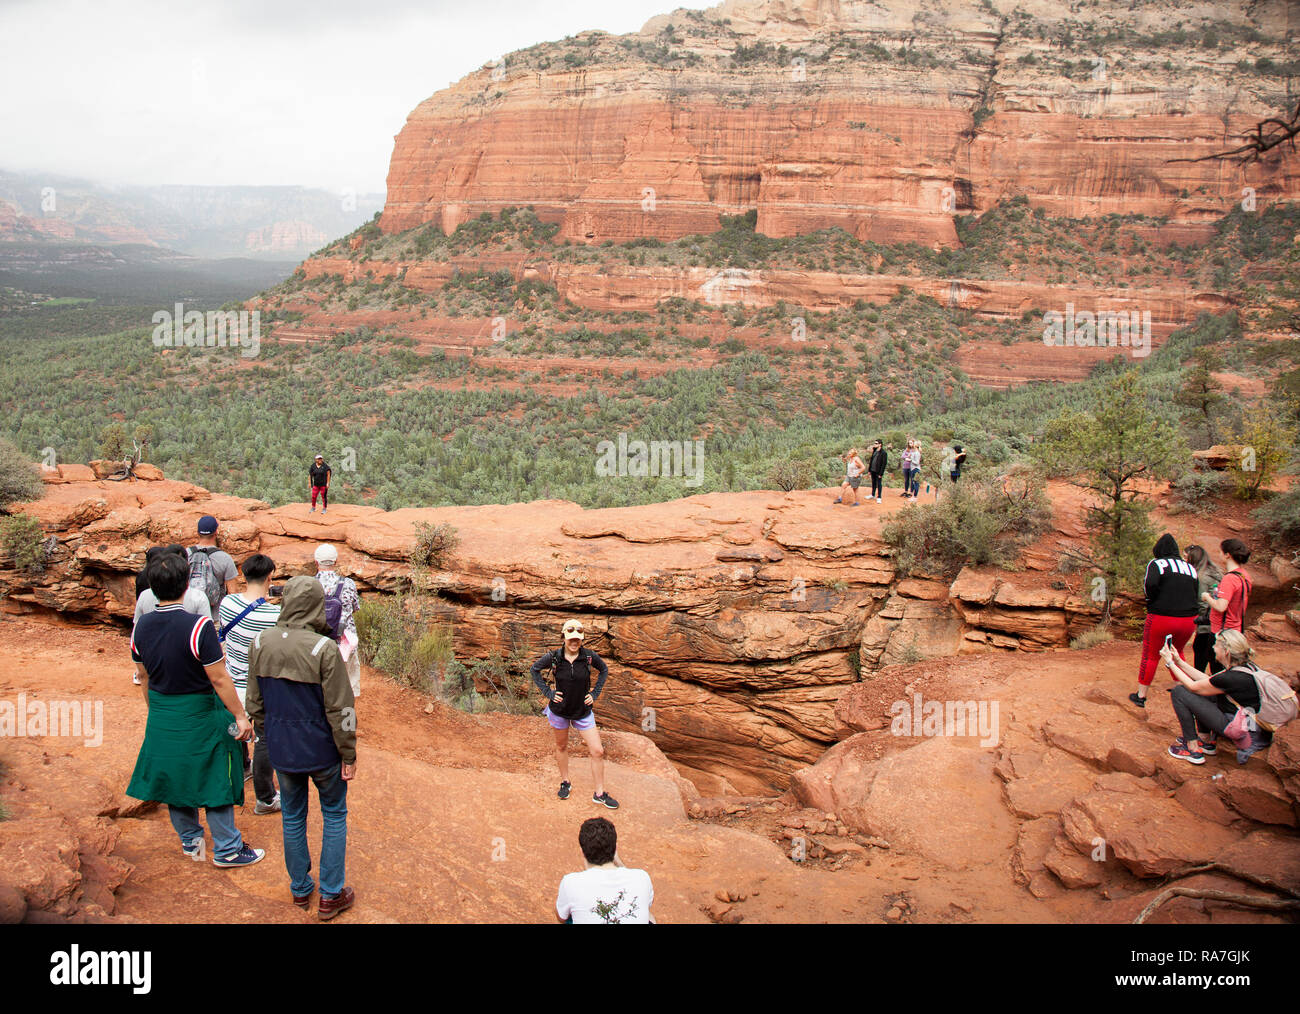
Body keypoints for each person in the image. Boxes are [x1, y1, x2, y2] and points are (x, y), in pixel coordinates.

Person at [125, 552, 264, 868]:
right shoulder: (198, 626)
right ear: (187, 584)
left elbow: (143, 675)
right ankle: (228, 849)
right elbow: (218, 678)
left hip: (162, 709)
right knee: (214, 773)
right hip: (199, 710)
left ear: (152, 587)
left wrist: (154, 710)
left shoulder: (142, 626)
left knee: (176, 776)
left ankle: (191, 841)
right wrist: (240, 716)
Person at [246, 576, 357, 920]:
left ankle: (300, 889)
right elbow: (342, 709)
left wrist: (270, 735)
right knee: (334, 815)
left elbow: (254, 703)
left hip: (283, 750)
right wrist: (349, 753)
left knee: (293, 816)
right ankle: (331, 895)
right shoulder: (323, 649)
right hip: (323, 751)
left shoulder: (261, 642)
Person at [218, 553, 281, 814]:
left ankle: (243, 769)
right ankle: (265, 798)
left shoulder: (227, 603)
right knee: (264, 738)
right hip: (261, 687)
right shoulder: (274, 615)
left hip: (232, 683)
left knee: (237, 728)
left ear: (243, 575)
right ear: (269, 577)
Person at [530, 619, 617, 809]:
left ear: (582, 639)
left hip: (582, 711)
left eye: (578, 638)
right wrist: (548, 693)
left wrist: (594, 694)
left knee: (597, 751)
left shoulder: (589, 657)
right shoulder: (554, 657)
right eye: (571, 638)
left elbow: (604, 670)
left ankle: (599, 794)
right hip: (560, 711)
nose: (574, 642)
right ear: (564, 637)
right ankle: (565, 782)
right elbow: (534, 669)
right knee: (561, 746)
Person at [1161, 629, 1275, 765]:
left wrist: (1170, 663)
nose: (1213, 648)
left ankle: (1192, 748)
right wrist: (1179, 661)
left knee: (1179, 692)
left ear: (1226, 651)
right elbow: (1208, 681)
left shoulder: (1231, 677)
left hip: (1243, 732)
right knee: (1206, 692)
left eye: (1216, 645)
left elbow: (1193, 686)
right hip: (1253, 726)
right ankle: (1205, 741)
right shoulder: (1247, 667)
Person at [1129, 533, 1199, 709]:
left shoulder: (1157, 563)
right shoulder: (1190, 568)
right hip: (1189, 619)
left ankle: (1141, 696)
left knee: (1151, 655)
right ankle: (1181, 688)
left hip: (1162, 616)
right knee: (1178, 651)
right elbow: (1195, 590)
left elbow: (1149, 585)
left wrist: (1152, 602)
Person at [555, 817, 654, 924]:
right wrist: (619, 862)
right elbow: (647, 903)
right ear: (615, 849)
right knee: (648, 914)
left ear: (582, 851)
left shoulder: (570, 882)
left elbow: (561, 917)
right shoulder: (642, 878)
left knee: (570, 914)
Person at [314, 544, 361, 697]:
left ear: (316, 562)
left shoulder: (309, 585)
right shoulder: (348, 584)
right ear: (335, 562)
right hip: (345, 641)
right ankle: (346, 711)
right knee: (347, 685)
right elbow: (355, 608)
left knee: (319, 685)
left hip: (317, 642)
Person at [1203, 538, 1253, 673]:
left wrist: (1207, 597)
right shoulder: (1244, 575)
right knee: (1232, 668)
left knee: (1218, 670)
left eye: (1221, 552)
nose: (1219, 554)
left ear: (1227, 555)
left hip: (1222, 631)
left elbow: (1221, 606)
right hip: (1236, 629)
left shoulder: (1229, 578)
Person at [188, 516, 238, 617]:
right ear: (216, 533)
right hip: (215, 616)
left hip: (189, 615)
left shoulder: (186, 554)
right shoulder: (225, 558)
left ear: (197, 533)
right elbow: (233, 593)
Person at [1185, 545, 1222, 674]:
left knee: (1200, 650)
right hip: (1218, 622)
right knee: (1213, 655)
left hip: (1208, 623)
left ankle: (1200, 680)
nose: (1184, 560)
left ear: (1193, 558)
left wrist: (1200, 621)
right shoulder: (1215, 572)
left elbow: (1202, 602)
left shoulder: (1201, 577)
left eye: (1185, 557)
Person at [867, 439, 887, 504]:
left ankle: (879, 497)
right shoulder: (875, 451)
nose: (874, 444)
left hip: (878, 471)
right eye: (874, 443)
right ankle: (873, 495)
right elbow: (871, 460)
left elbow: (884, 464)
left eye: (876, 443)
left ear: (880, 444)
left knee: (879, 484)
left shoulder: (883, 453)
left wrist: (881, 473)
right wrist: (869, 470)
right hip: (873, 470)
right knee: (873, 483)